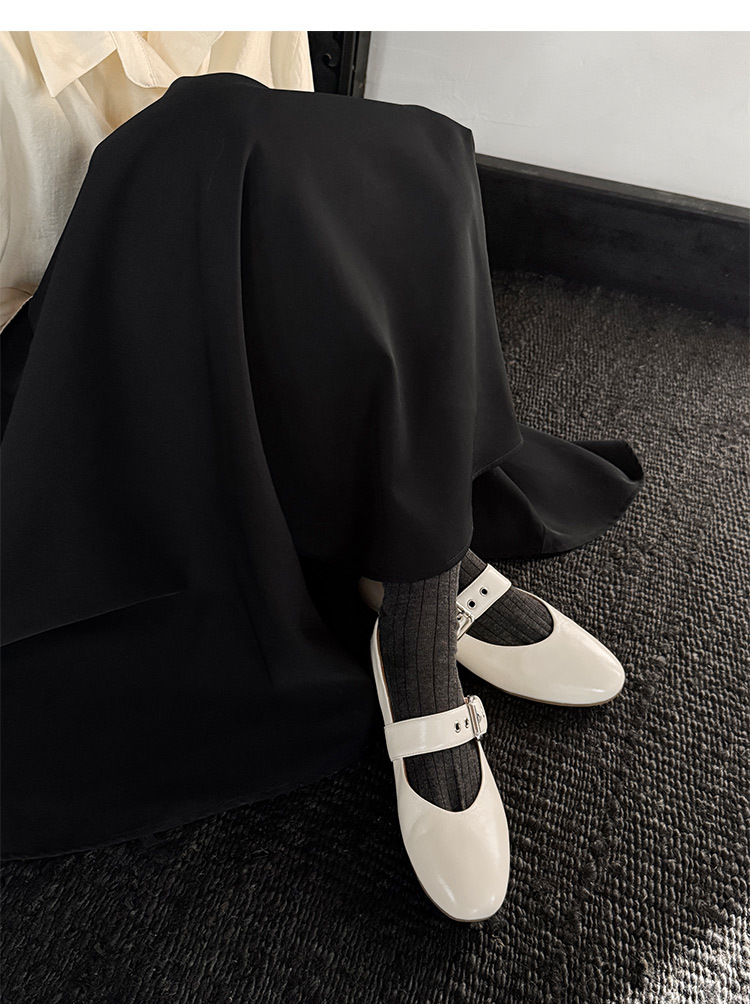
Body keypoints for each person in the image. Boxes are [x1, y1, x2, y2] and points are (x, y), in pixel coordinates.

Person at [0, 36, 643, 921]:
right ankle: (416, 597)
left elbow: (303, 166)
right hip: (60, 370)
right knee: (209, 120)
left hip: (226, 311)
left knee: (410, 147)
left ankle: (414, 592)